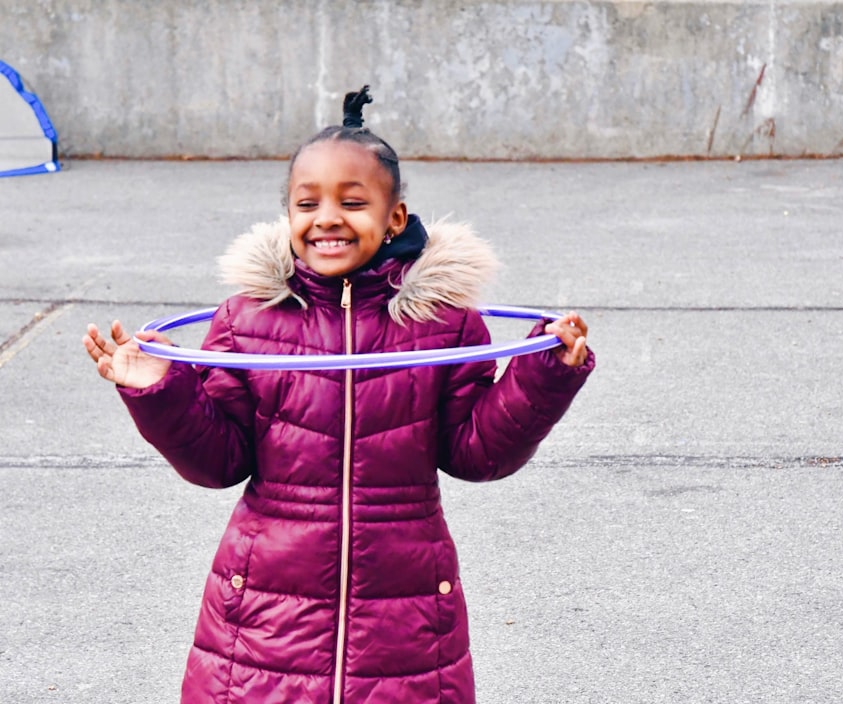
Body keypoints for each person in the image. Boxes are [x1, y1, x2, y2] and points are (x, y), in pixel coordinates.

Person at [82, 86, 594, 704]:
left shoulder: (444, 324)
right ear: (288, 216)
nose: (327, 217)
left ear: (394, 219)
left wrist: (545, 371)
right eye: (308, 202)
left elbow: (478, 453)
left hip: (404, 616)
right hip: (263, 619)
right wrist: (158, 390)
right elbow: (217, 462)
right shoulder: (249, 320)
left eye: (353, 202)